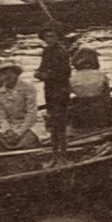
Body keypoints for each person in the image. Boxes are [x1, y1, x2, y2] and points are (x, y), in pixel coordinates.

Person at [34, 28, 73, 160]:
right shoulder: (47, 51)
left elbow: (64, 73)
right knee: (53, 123)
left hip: (60, 90)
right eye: (46, 37)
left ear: (57, 37)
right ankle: (55, 154)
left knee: (59, 124)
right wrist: (40, 73)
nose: (49, 39)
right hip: (50, 90)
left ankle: (62, 155)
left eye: (52, 36)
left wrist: (46, 75)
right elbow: (42, 68)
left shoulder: (61, 52)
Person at [0, 62, 42, 151]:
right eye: (2, 74)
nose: (6, 77)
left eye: (10, 73)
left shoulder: (27, 87)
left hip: (31, 124)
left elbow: (32, 114)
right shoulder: (1, 91)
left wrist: (18, 133)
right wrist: (7, 130)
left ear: (16, 74)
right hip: (12, 125)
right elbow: (2, 116)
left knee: (25, 143)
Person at [69, 48, 112, 128]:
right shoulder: (101, 75)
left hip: (81, 108)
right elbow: (107, 95)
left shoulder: (72, 78)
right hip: (99, 108)